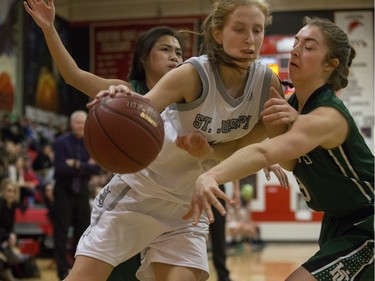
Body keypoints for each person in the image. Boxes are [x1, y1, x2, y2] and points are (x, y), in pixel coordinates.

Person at [26, 0, 288, 280]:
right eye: (240, 29)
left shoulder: (266, 84)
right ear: (218, 34)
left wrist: (255, 152)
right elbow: (142, 108)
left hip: (186, 206)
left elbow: (241, 147)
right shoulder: (191, 75)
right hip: (139, 193)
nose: (250, 39)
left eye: (258, 30)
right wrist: (118, 102)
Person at [185, 16, 374, 281]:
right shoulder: (293, 104)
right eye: (296, 42)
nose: (295, 49)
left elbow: (264, 152)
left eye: (309, 47)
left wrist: (210, 176)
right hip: (339, 221)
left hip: (368, 222)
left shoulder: (327, 116)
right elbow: (277, 156)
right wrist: (206, 152)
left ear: (331, 64)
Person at [23, 0, 187, 280]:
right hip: (130, 203)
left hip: (174, 209)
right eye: (165, 49)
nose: (175, 56)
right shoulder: (125, 93)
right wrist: (49, 28)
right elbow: (72, 75)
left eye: (179, 52)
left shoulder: (190, 99)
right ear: (143, 58)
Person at [51, 110, 102, 280]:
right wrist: (84, 166)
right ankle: (61, 270)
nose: (80, 126)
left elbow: (96, 169)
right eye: (77, 123)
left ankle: (77, 270)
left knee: (83, 231)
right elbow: (60, 168)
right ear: (71, 124)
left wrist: (75, 164)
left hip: (81, 191)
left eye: (83, 123)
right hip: (63, 191)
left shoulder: (91, 142)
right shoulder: (60, 142)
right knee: (61, 232)